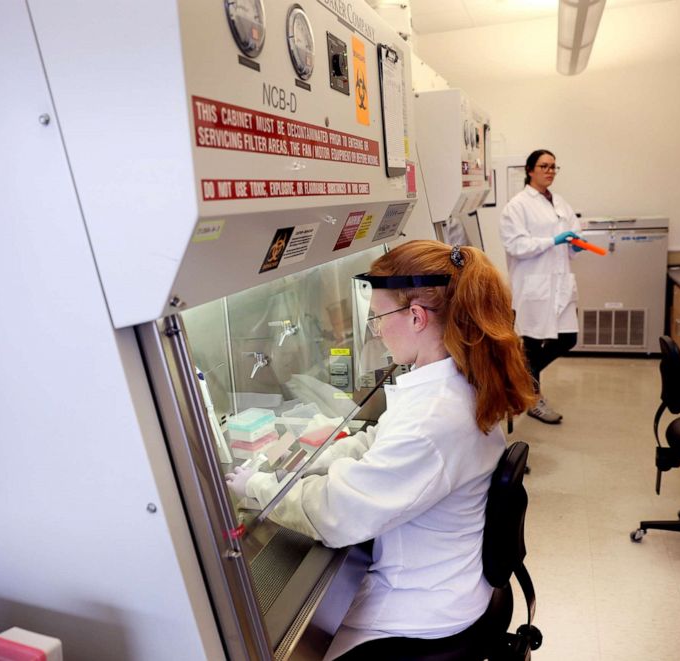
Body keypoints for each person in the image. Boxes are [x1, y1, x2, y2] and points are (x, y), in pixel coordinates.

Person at [226, 241, 536, 660]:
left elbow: (337, 513)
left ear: (415, 317)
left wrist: (261, 487)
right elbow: (376, 441)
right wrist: (310, 459)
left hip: (422, 614)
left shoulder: (434, 419)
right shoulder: (455, 380)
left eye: (376, 317)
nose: (375, 330)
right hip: (450, 582)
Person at [499, 149, 583, 424]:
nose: (550, 171)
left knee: (568, 338)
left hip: (559, 283)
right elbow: (516, 245)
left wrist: (575, 244)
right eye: (544, 166)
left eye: (554, 167)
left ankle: (519, 381)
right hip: (534, 285)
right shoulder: (517, 205)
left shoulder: (559, 202)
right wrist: (553, 240)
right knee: (533, 344)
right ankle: (533, 398)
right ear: (530, 169)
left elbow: (574, 228)